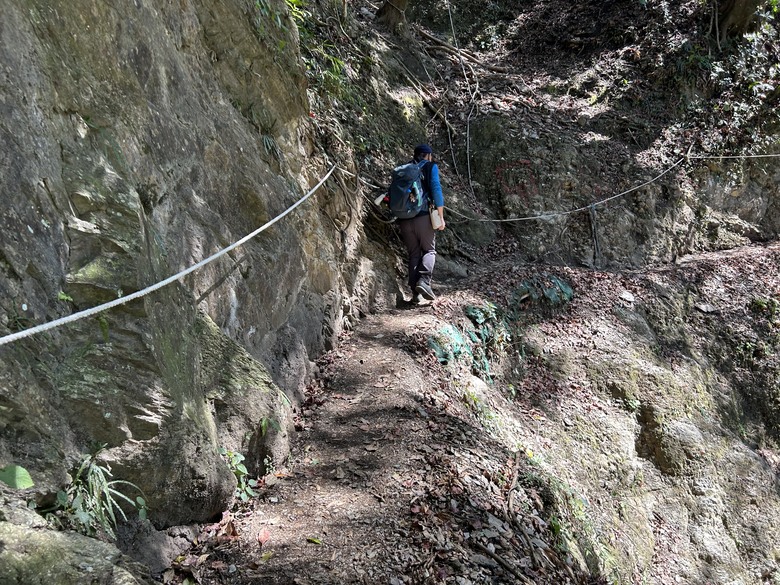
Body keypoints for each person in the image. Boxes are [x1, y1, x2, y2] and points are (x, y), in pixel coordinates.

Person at [398, 144, 445, 303]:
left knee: (414, 254)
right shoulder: (431, 167)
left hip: (404, 218)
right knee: (429, 251)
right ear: (428, 156)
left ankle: (415, 294)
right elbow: (436, 189)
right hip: (423, 216)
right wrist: (440, 216)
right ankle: (424, 281)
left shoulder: (405, 169)